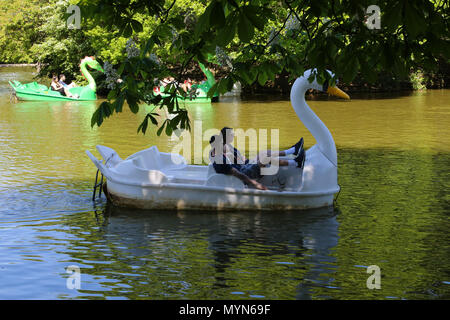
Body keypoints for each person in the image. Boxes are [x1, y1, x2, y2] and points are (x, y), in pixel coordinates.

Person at [209, 127, 305, 190]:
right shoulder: (221, 161)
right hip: (245, 173)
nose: (233, 136)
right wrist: (257, 185)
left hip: (244, 167)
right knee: (265, 159)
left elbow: (239, 160)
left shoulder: (220, 153)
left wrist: (246, 160)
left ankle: (292, 151)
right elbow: (239, 175)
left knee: (264, 153)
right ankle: (296, 163)